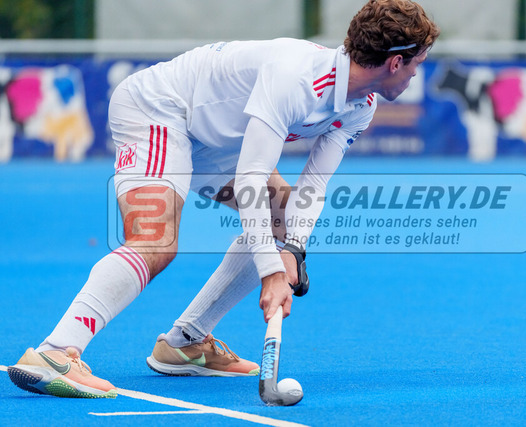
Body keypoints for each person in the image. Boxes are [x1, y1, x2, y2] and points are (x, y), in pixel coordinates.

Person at [8, 0, 440, 399]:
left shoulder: (361, 105)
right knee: (156, 240)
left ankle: (186, 342)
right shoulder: (296, 78)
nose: (415, 75)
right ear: (395, 62)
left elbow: (313, 186)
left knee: (283, 216)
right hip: (161, 109)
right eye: (417, 64)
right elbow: (251, 177)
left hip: (214, 141)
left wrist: (292, 250)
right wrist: (271, 272)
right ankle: (56, 351)